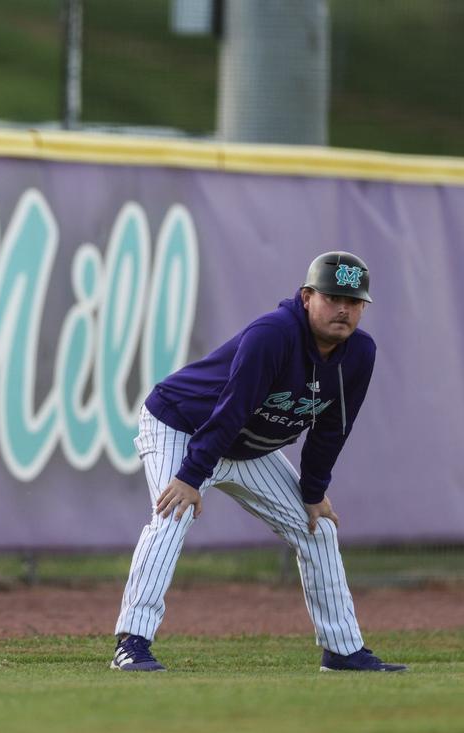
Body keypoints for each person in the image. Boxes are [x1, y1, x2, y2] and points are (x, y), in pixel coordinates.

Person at [111, 251, 407, 673]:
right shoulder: (273, 334)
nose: (344, 308)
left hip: (246, 447)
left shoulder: (360, 353)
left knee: (318, 528)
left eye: (354, 301)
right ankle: (132, 643)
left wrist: (313, 492)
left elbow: (332, 429)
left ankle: (343, 651)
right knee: (172, 516)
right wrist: (191, 477)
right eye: (332, 297)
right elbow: (230, 411)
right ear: (307, 297)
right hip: (182, 426)